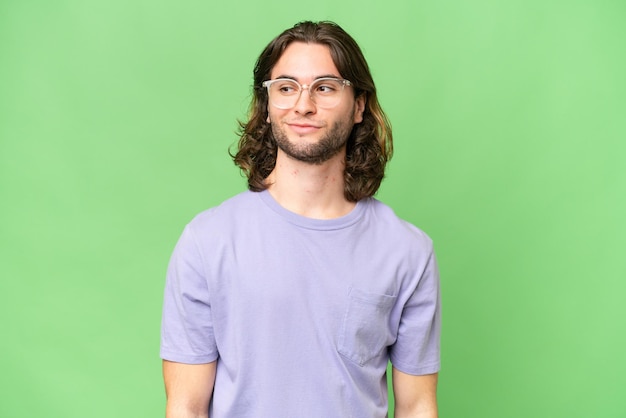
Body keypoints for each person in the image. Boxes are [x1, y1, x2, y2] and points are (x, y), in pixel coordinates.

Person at [160, 20, 441, 418]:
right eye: (286, 87)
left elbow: (417, 407)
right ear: (268, 104)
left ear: (359, 104)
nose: (303, 104)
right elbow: (186, 407)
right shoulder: (208, 241)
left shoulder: (408, 251)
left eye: (325, 87)